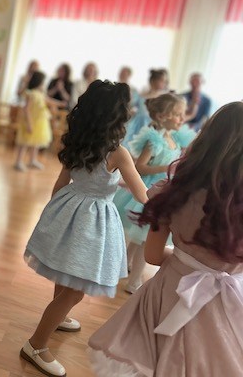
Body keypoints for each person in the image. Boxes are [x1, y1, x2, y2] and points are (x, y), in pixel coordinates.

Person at [89, 101, 243, 377]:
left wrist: (185, 260)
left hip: (168, 295)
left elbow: (152, 255)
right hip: (227, 306)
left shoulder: (174, 193)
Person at [20, 80, 148, 377]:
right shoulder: (118, 153)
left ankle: (58, 315)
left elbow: (61, 183)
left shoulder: (77, 141)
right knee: (76, 291)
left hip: (68, 208)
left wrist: (52, 218)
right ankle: (36, 345)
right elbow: (142, 194)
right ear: (116, 117)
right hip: (93, 220)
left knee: (65, 271)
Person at [114, 93, 195, 294]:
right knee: (143, 238)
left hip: (162, 191)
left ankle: (122, 267)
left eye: (182, 114)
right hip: (148, 191)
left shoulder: (174, 139)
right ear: (161, 116)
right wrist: (164, 168)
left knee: (139, 236)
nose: (182, 118)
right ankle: (133, 281)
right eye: (177, 114)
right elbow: (139, 167)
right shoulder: (154, 140)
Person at [14, 71, 62, 171]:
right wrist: (29, 123)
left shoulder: (41, 94)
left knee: (36, 142)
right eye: (43, 82)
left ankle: (32, 160)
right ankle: (19, 161)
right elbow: (26, 109)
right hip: (31, 121)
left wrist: (61, 103)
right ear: (38, 82)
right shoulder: (31, 93)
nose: (43, 84)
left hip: (39, 122)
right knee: (25, 141)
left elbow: (49, 100)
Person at [123, 68, 169, 145]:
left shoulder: (163, 97)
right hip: (138, 122)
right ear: (153, 81)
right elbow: (131, 106)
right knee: (132, 141)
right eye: (162, 81)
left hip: (152, 123)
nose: (164, 83)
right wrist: (131, 112)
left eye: (165, 81)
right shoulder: (142, 95)